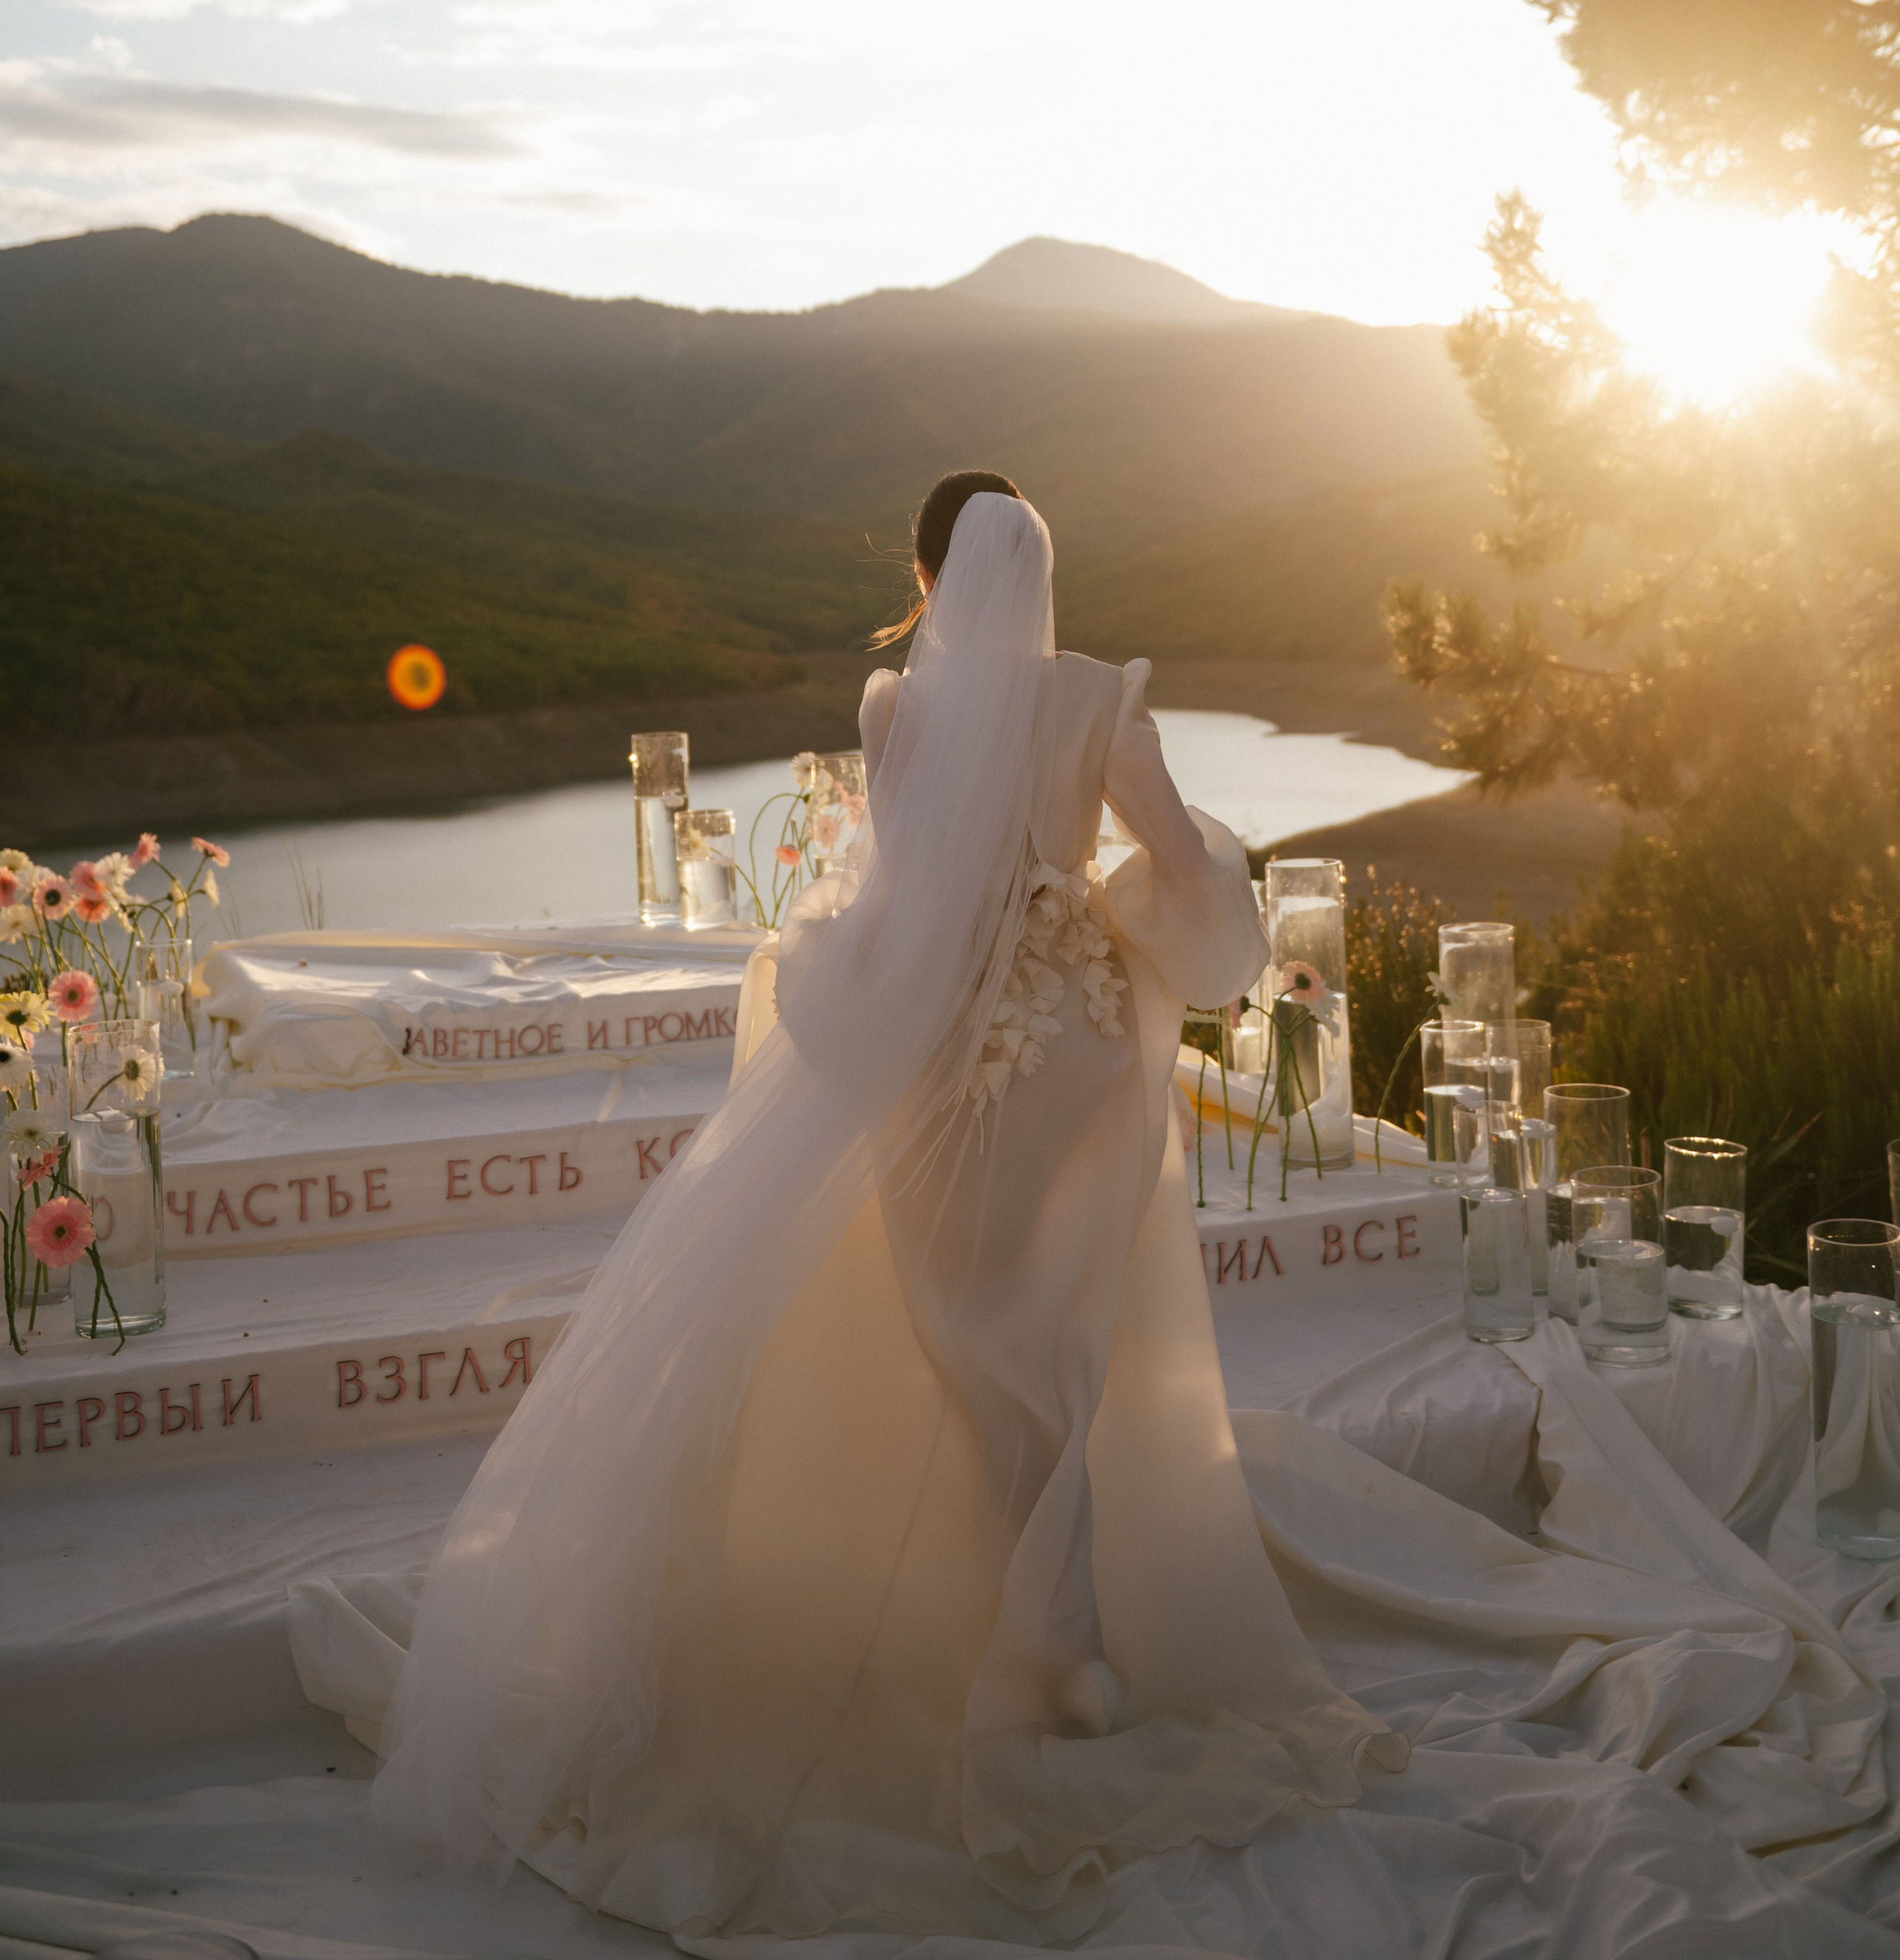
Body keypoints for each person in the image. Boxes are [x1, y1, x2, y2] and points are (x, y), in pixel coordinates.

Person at [372, 474, 1404, 1940]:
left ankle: (987, 1637)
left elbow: (908, 892)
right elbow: (1178, 863)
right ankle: (1056, 1651)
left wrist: (863, 975)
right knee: (1060, 1348)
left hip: (950, 1054)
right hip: (1083, 1049)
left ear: (925, 577)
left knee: (952, 1337)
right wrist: (1105, 914)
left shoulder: (897, 715)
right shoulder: (1102, 698)